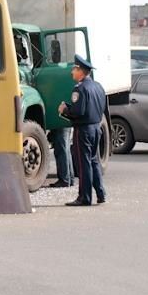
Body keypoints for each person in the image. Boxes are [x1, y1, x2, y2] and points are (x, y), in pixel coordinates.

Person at [58, 55, 107, 206]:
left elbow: (78, 111)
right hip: (96, 128)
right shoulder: (98, 86)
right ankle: (100, 193)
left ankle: (84, 197)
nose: (72, 71)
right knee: (93, 161)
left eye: (74, 69)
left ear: (81, 71)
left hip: (84, 130)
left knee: (83, 163)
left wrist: (65, 109)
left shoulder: (80, 88)